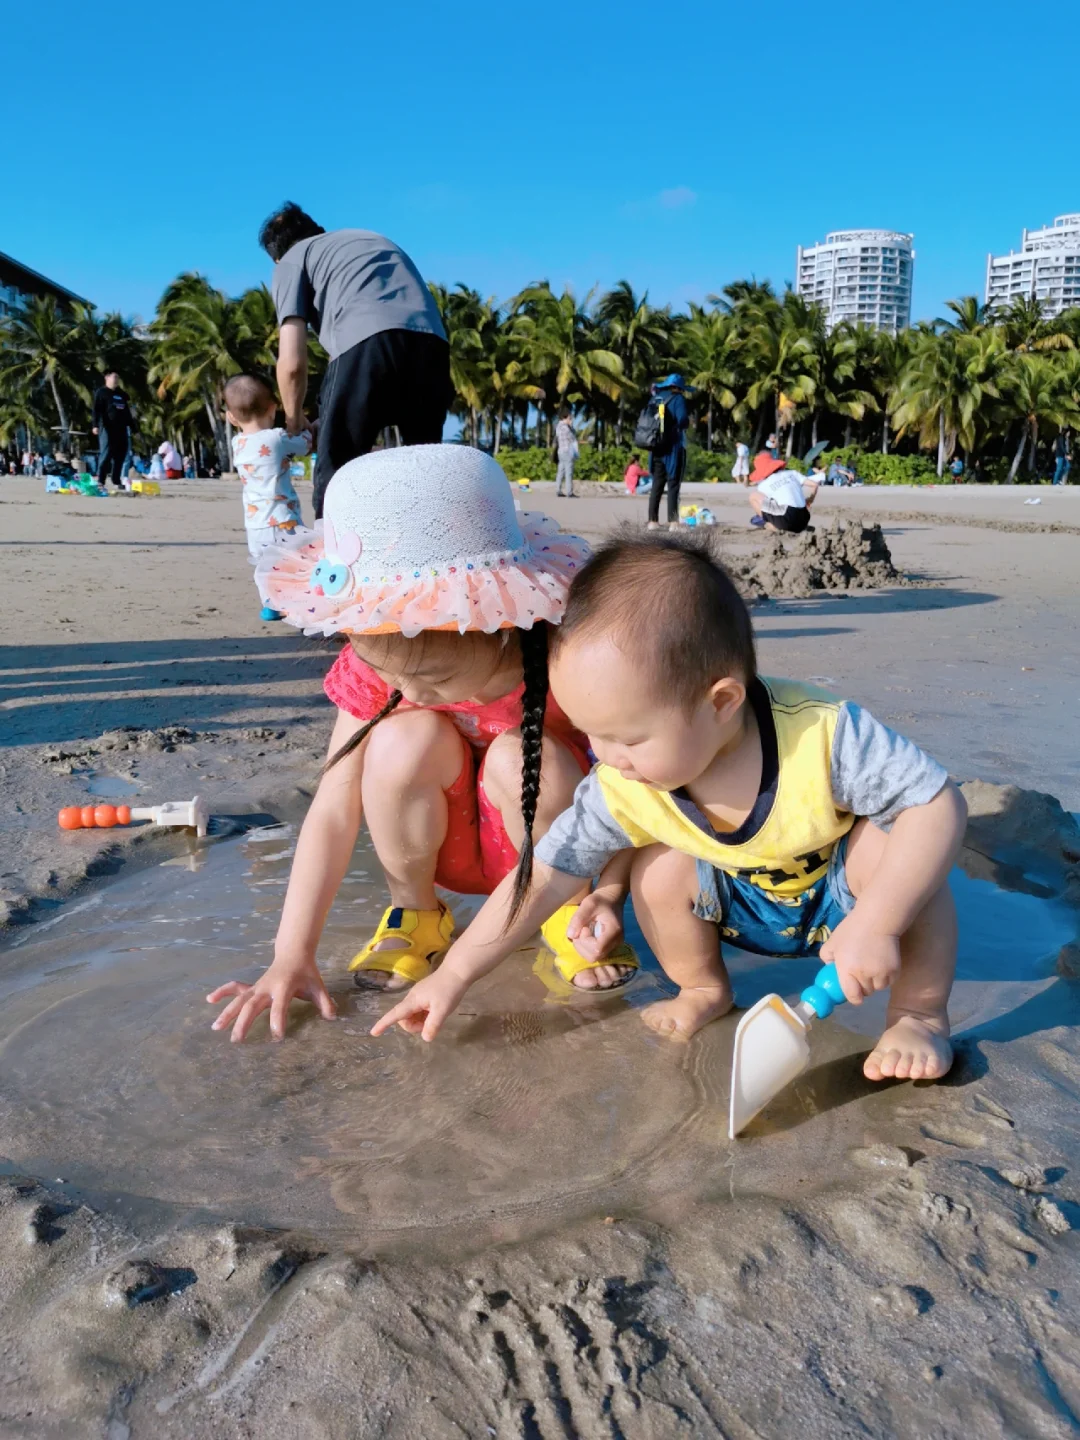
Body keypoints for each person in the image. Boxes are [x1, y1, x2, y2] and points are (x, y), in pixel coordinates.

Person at [373, 532, 963, 1086]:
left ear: (721, 703)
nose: (608, 758)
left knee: (902, 851)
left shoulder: (821, 736)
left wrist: (878, 921)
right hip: (738, 901)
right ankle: (703, 987)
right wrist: (453, 976)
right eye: (590, 734)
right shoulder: (623, 782)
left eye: (628, 739)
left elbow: (936, 804)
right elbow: (544, 876)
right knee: (658, 865)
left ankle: (918, 1014)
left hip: (842, 905)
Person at [206, 445, 637, 1042]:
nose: (407, 689)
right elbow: (333, 808)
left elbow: (631, 786)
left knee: (519, 754)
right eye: (392, 677)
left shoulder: (566, 660)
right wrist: (290, 952)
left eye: (428, 679)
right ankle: (416, 915)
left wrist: (609, 893)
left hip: (555, 857)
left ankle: (570, 915)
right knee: (399, 739)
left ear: (499, 624)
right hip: (443, 852)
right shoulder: (385, 670)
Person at [259, 201, 451, 519]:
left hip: (366, 340)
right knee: (425, 471)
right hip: (433, 344)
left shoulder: (292, 259)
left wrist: (294, 421)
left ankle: (334, 559)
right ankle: (430, 559)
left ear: (277, 256)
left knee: (337, 472)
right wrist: (329, 416)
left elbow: (292, 362)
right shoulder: (368, 239)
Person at [224, 375, 309, 621]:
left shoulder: (237, 443)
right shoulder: (277, 438)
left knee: (264, 566)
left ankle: (270, 605)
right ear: (272, 408)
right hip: (284, 519)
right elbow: (305, 444)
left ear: (231, 417)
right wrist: (302, 421)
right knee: (296, 563)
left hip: (255, 524)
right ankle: (296, 604)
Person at [646, 374, 689, 530]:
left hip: (656, 447)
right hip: (673, 447)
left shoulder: (655, 398)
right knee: (673, 484)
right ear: (677, 387)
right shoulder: (678, 399)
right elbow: (683, 419)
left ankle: (652, 521)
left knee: (657, 483)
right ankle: (673, 522)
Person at [747, 455, 818, 534]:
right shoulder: (792, 473)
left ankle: (770, 525)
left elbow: (765, 507)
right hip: (804, 519)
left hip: (786, 519)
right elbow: (814, 485)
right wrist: (810, 499)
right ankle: (800, 528)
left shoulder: (764, 485)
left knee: (753, 496)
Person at [92, 371, 135, 489]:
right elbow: (97, 410)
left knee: (121, 454)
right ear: (107, 378)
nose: (116, 379)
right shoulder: (101, 392)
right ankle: (101, 480)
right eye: (114, 377)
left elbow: (127, 412)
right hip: (106, 427)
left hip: (121, 428)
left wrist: (133, 426)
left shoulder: (121, 394)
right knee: (106, 454)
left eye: (118, 377)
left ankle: (116, 479)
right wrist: (95, 425)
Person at [554, 407, 578, 497]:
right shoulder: (566, 428)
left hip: (560, 451)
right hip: (567, 451)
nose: (570, 420)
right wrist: (571, 426)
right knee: (569, 472)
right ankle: (569, 492)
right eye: (570, 418)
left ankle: (558, 490)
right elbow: (572, 437)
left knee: (560, 471)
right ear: (566, 417)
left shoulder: (558, 426)